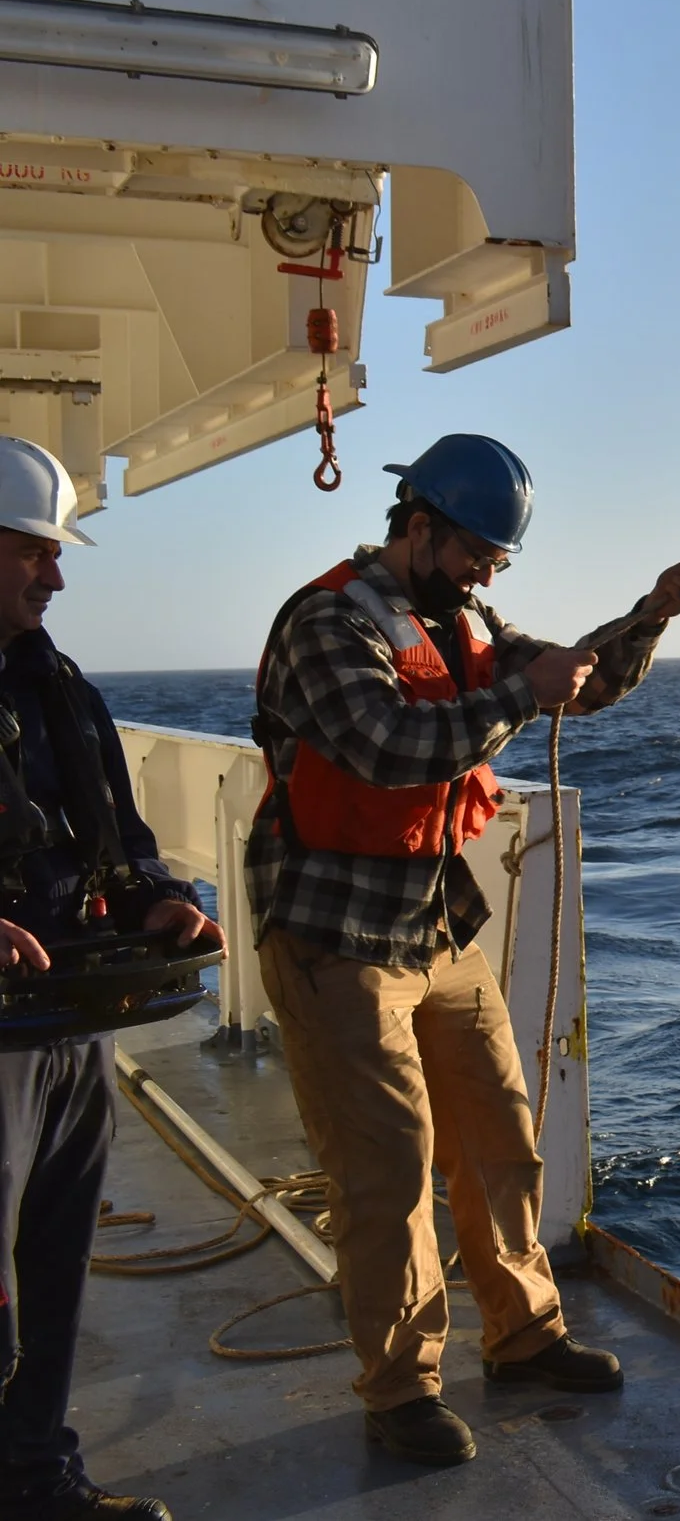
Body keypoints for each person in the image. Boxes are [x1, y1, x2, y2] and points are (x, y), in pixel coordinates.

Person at [246, 433, 680, 1467]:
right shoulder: (327, 623)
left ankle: (524, 1334)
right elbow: (386, 749)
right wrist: (521, 693)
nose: (488, 575)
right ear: (418, 528)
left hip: (434, 924)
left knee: (500, 1136)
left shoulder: (457, 620)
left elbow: (571, 683)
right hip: (335, 936)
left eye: (498, 562)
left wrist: (648, 613)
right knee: (388, 1168)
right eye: (476, 553)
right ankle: (402, 1387)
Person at [0, 436, 221, 1521]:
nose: (58, 574)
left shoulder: (61, 691)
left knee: (54, 1268)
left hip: (66, 1028)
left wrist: (156, 904)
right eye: (35, 552)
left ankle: (38, 1477)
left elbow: (118, 847)